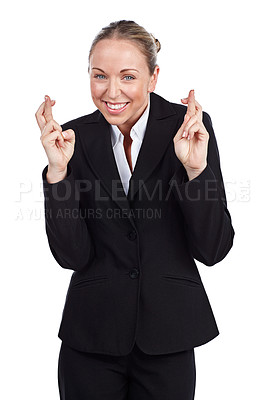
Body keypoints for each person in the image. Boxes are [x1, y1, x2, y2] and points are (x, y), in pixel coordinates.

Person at [35, 19, 235, 400]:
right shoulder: (73, 137)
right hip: (90, 334)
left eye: (128, 77)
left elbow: (214, 248)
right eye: (99, 76)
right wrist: (58, 173)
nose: (112, 91)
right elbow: (72, 255)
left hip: (169, 333)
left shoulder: (188, 128)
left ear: (153, 77)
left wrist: (195, 170)